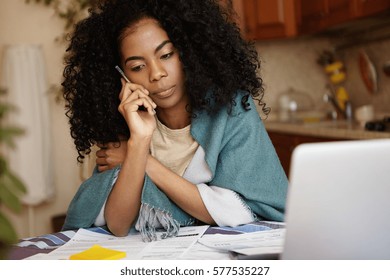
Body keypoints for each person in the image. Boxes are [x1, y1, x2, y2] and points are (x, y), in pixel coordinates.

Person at [61, 0, 288, 241]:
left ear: (189, 51)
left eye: (167, 55)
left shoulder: (230, 107)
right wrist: (139, 141)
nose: (157, 73)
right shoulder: (126, 123)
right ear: (121, 76)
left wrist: (141, 161)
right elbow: (118, 224)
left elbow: (239, 211)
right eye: (137, 66)